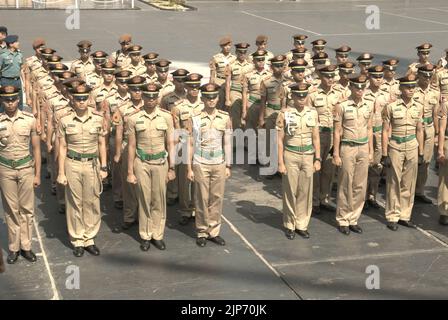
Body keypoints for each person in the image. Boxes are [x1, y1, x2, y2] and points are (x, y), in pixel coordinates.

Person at [57, 84, 108, 257]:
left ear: (89, 99)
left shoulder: (98, 119)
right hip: (73, 163)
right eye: (78, 99)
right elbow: (62, 147)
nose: (81, 102)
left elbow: (102, 143)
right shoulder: (65, 120)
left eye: (84, 98)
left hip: (92, 163)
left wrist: (104, 166)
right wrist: (61, 172)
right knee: (74, 202)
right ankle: (78, 239)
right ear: (72, 99)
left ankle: (90, 238)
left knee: (92, 200)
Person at [126, 83, 176, 251]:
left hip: (161, 163)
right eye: (147, 96)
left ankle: (157, 235)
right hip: (142, 163)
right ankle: (146, 235)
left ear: (158, 98)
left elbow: (171, 143)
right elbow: (131, 146)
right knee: (144, 199)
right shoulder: (133, 118)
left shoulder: (166, 117)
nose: (150, 100)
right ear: (143, 97)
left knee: (159, 199)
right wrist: (130, 172)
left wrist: (172, 168)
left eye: (154, 97)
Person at [187, 83, 232, 247]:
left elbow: (227, 142)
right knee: (201, 198)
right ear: (203, 98)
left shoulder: (225, 117)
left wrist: (228, 165)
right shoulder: (195, 118)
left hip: (218, 162)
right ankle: (201, 231)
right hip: (201, 162)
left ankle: (213, 231)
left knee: (216, 198)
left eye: (214, 97)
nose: (211, 100)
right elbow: (190, 143)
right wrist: (189, 168)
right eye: (207, 97)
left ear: (218, 98)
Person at [0, 85, 41, 264]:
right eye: (7, 100)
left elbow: (37, 149)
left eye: (13, 99)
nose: (10, 103)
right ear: (2, 101)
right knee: (11, 210)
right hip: (6, 169)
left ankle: (26, 246)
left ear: (18, 100)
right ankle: (14, 248)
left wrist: (38, 174)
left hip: (25, 168)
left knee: (27, 209)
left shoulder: (29, 119)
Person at [276, 83, 320, 240]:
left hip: (308, 155)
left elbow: (316, 137)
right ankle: (289, 224)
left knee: (305, 191)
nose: (301, 98)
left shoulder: (312, 113)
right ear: (292, 96)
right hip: (291, 155)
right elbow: (280, 140)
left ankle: (301, 224)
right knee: (290, 191)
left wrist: (318, 158)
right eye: (298, 95)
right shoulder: (285, 114)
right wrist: (280, 162)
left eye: (304, 95)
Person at [381, 74, 424, 231]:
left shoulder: (418, 107)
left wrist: (420, 152)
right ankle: (392, 215)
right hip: (396, 146)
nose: (411, 89)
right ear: (401, 88)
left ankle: (404, 215)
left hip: (412, 145)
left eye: (413, 87)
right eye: (408, 87)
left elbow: (420, 130)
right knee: (394, 182)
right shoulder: (391, 107)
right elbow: (385, 131)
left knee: (409, 182)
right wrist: (384, 153)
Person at [333, 74, 373, 235]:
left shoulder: (368, 105)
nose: (360, 90)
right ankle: (343, 218)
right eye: (357, 87)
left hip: (363, 147)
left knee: (360, 185)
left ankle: (354, 218)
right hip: (348, 147)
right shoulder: (342, 106)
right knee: (345, 183)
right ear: (351, 87)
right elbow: (337, 131)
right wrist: (336, 153)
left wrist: (370, 151)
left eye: (363, 87)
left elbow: (369, 129)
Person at [171, 73, 204, 224]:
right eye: (191, 86)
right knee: (185, 182)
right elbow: (176, 130)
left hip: (202, 146)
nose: (194, 90)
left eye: (197, 86)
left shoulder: (205, 104)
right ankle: (185, 211)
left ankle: (197, 209)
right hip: (184, 146)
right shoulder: (178, 107)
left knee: (200, 180)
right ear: (186, 87)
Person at [112, 75, 145, 229]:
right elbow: (118, 132)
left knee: (144, 184)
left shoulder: (150, 105)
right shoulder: (122, 108)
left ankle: (143, 216)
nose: (137, 93)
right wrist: (118, 153)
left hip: (145, 147)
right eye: (134, 90)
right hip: (127, 147)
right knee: (129, 184)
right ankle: (130, 215)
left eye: (139, 89)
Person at [308, 65, 342, 213]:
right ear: (320, 77)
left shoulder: (339, 95)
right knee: (316, 168)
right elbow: (309, 117)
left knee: (329, 169)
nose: (330, 79)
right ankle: (314, 200)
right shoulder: (313, 94)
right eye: (327, 76)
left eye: (332, 76)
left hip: (333, 134)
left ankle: (324, 198)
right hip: (319, 134)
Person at [414, 64, 440, 204]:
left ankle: (420, 191)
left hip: (429, 128)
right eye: (425, 75)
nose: (428, 78)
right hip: (414, 128)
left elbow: (436, 114)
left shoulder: (435, 93)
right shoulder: (412, 90)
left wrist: (436, 133)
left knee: (425, 162)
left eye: (430, 76)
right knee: (412, 161)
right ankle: (409, 190)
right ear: (419, 75)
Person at [225, 42, 253, 131]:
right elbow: (227, 83)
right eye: (240, 52)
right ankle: (236, 139)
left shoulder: (251, 65)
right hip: (235, 91)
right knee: (235, 116)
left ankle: (246, 138)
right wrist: (227, 99)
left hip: (248, 93)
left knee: (248, 115)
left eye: (244, 52)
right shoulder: (231, 65)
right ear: (236, 52)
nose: (242, 54)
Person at [209, 36, 236, 109]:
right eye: (225, 46)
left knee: (230, 103)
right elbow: (212, 74)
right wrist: (211, 86)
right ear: (221, 46)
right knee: (219, 103)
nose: (227, 47)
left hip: (230, 82)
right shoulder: (216, 58)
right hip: (219, 82)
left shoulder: (234, 58)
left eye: (229, 45)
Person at [0, 35, 24, 109]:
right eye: (16, 42)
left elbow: (21, 69)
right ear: (11, 44)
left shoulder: (20, 55)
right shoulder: (3, 56)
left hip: (17, 81)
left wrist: (24, 82)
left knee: (19, 101)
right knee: (5, 102)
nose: (18, 43)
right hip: (6, 81)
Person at [436, 98, 448, 226]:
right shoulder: (446, 105)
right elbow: (442, 129)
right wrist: (440, 149)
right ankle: (444, 212)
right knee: (445, 179)